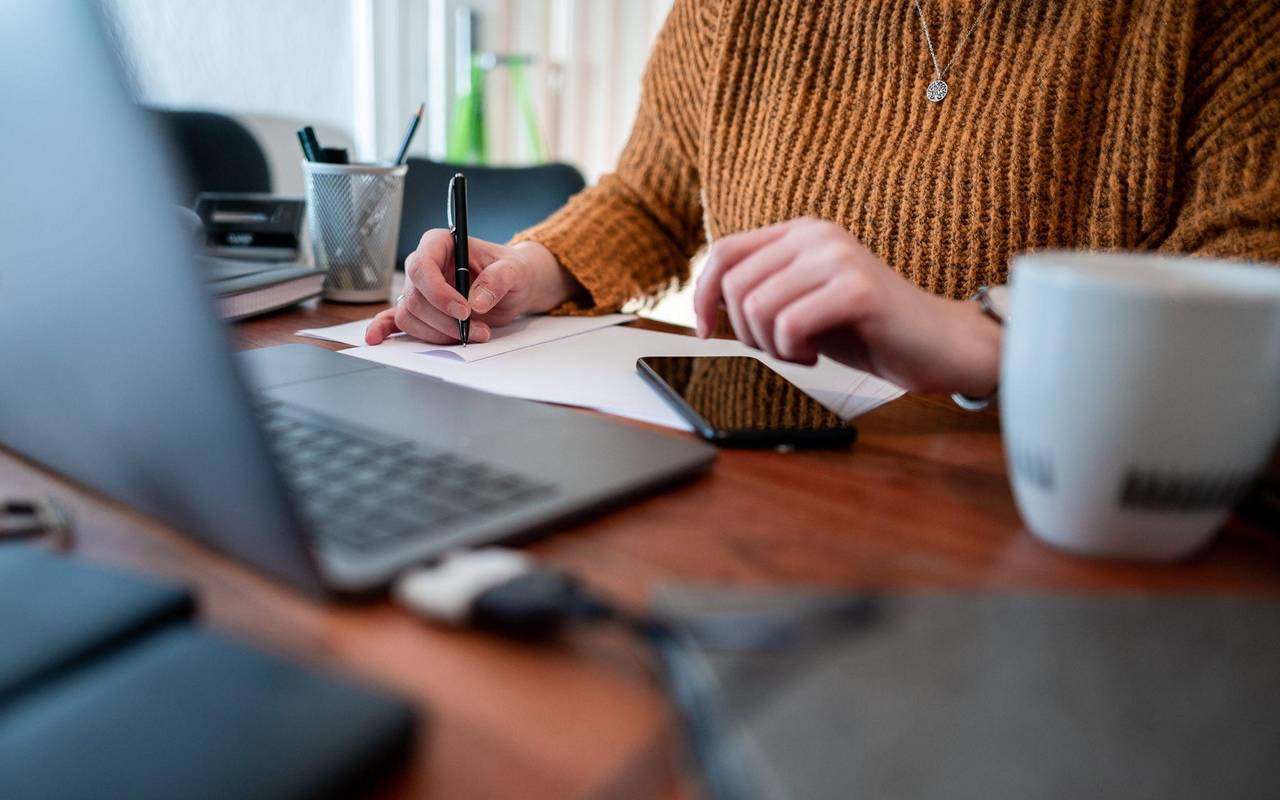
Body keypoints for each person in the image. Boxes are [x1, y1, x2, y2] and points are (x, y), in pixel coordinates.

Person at [367, 0, 1280, 402]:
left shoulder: (1216, 20)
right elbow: (650, 194)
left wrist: (986, 340)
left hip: (1040, 522)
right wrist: (523, 271)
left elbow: (1251, 302)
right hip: (767, 483)